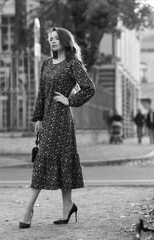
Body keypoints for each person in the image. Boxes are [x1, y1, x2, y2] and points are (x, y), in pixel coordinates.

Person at [19, 27, 96, 228]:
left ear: (64, 40)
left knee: (53, 158)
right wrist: (38, 118)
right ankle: (67, 206)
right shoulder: (46, 64)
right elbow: (42, 92)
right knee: (49, 158)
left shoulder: (73, 64)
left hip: (62, 118)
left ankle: (29, 209)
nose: (52, 41)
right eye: (49, 39)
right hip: (47, 117)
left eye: (55, 38)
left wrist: (70, 100)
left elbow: (89, 88)